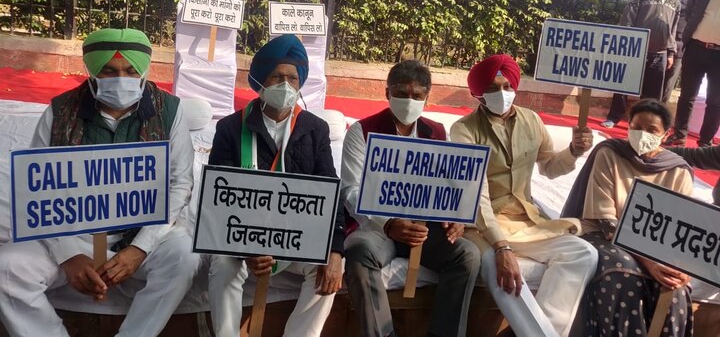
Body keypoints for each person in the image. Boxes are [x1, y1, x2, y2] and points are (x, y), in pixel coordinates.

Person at [0, 28, 198, 337]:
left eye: (132, 71)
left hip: (137, 233)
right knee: (8, 268)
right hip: (72, 234)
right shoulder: (60, 110)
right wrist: (68, 254)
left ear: (144, 70)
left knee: (185, 256)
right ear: (92, 71)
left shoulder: (168, 111)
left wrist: (139, 249)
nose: (122, 78)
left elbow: (179, 185)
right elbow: (38, 187)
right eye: (110, 71)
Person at [207, 34, 344, 337]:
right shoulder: (231, 127)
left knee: (328, 271)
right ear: (260, 82)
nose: (286, 85)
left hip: (297, 237)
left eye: (293, 78)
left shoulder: (314, 129)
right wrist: (246, 246)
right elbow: (218, 199)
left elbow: (329, 189)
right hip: (241, 236)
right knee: (222, 266)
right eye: (277, 76)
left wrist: (335, 250)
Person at [450, 54, 597, 337]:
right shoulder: (463, 130)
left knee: (584, 253)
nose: (502, 94)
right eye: (492, 88)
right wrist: (502, 248)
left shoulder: (532, 120)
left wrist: (573, 152)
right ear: (477, 93)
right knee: (498, 268)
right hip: (482, 225)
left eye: (507, 86)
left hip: (526, 220)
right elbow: (475, 196)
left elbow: (550, 168)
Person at [342, 60, 481, 337]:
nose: (409, 101)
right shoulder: (362, 131)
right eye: (401, 94)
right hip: (378, 228)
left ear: (427, 98)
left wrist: (455, 218)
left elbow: (450, 185)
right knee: (358, 252)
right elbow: (351, 191)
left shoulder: (438, 133)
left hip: (424, 230)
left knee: (468, 255)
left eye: (417, 96)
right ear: (387, 93)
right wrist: (389, 223)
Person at [563, 99, 693, 336]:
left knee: (675, 291)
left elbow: (680, 230)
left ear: (665, 135)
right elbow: (605, 220)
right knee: (623, 275)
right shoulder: (609, 153)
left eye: (652, 130)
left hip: (655, 245)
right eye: (636, 127)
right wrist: (649, 263)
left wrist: (681, 267)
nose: (642, 134)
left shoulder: (678, 171)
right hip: (605, 235)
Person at [602, 0, 681, 128]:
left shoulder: (675, 0)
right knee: (623, 85)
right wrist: (625, 43)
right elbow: (627, 20)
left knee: (652, 95)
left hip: (660, 53)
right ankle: (614, 117)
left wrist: (671, 53)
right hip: (635, 49)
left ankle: (645, 123)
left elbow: (673, 29)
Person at [664, 0, 720, 147]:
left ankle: (705, 141)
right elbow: (689, 14)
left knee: (716, 100)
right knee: (687, 95)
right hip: (695, 48)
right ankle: (679, 134)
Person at [661, 0, 698, 105]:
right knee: (654, 79)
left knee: (668, 81)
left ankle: (659, 114)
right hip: (661, 40)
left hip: (680, 44)